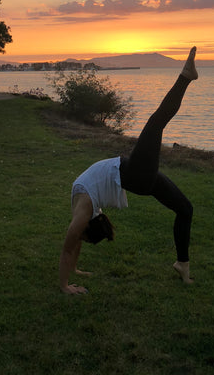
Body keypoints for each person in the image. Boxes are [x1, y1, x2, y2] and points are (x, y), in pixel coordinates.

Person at [59, 46, 198, 295]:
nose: (80, 236)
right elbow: (68, 246)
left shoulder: (84, 209)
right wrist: (65, 286)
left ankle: (182, 264)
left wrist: (76, 270)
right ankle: (185, 77)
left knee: (185, 209)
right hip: (133, 173)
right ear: (87, 226)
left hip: (138, 176)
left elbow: (75, 242)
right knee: (156, 122)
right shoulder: (84, 209)